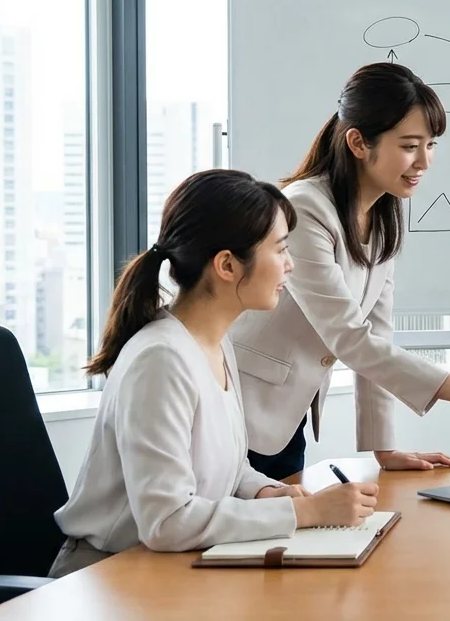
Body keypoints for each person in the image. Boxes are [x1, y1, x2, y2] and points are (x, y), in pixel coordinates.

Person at [50, 169, 378, 578]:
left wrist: (267, 490)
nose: (290, 266)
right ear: (226, 265)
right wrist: (304, 511)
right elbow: (166, 522)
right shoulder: (161, 361)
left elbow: (224, 467)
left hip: (170, 570)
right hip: (109, 579)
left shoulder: (215, 342)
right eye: (280, 250)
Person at [230, 62, 450, 481]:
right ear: (357, 142)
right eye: (409, 145)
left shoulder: (382, 214)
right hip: (240, 411)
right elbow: (349, 336)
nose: (424, 161)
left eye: (431, 144)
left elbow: (376, 333)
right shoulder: (303, 208)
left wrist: (384, 449)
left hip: (284, 418)